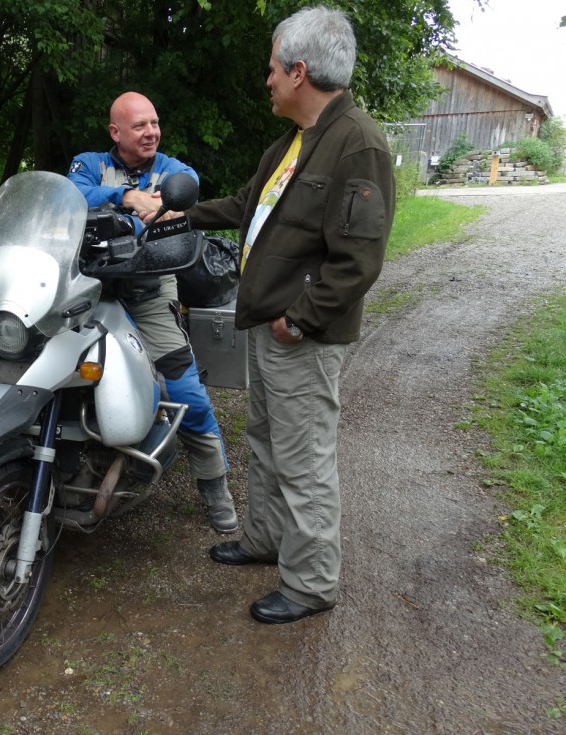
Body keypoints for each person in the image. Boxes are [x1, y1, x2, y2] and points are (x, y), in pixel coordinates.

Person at [186, 6, 395, 623]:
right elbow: (246, 207)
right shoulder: (294, 141)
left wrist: (299, 319)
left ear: (299, 71)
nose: (267, 80)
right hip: (270, 326)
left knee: (304, 460)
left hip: (300, 333)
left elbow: (359, 260)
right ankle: (264, 540)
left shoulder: (358, 143)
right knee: (267, 440)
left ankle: (310, 584)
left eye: (272, 68)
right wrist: (173, 214)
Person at [67, 91, 239, 534]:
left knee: (186, 392)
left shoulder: (173, 170)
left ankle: (214, 482)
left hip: (147, 292)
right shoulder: (87, 163)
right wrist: (127, 197)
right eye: (140, 125)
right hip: (88, 290)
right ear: (116, 132)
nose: (151, 132)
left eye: (155, 124)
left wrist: (151, 203)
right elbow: (71, 196)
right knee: (57, 379)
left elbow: (182, 194)